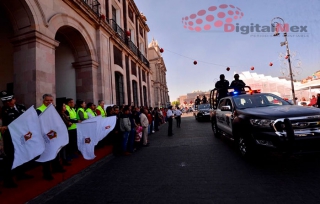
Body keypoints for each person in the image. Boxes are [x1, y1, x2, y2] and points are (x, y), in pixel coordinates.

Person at [0, 90, 34, 188]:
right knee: (9, 159)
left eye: (9, 100)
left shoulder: (21, 107)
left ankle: (21, 174)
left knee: (22, 155)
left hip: (21, 137)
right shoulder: (3, 111)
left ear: (14, 99)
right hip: (10, 139)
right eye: (5, 102)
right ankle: (8, 180)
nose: (8, 103)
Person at [36, 94, 66, 180]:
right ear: (43, 101)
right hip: (45, 137)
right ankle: (46, 173)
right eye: (47, 100)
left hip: (54, 135)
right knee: (47, 154)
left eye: (51, 100)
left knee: (56, 152)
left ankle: (56, 168)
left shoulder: (54, 109)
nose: (49, 102)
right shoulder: (38, 110)